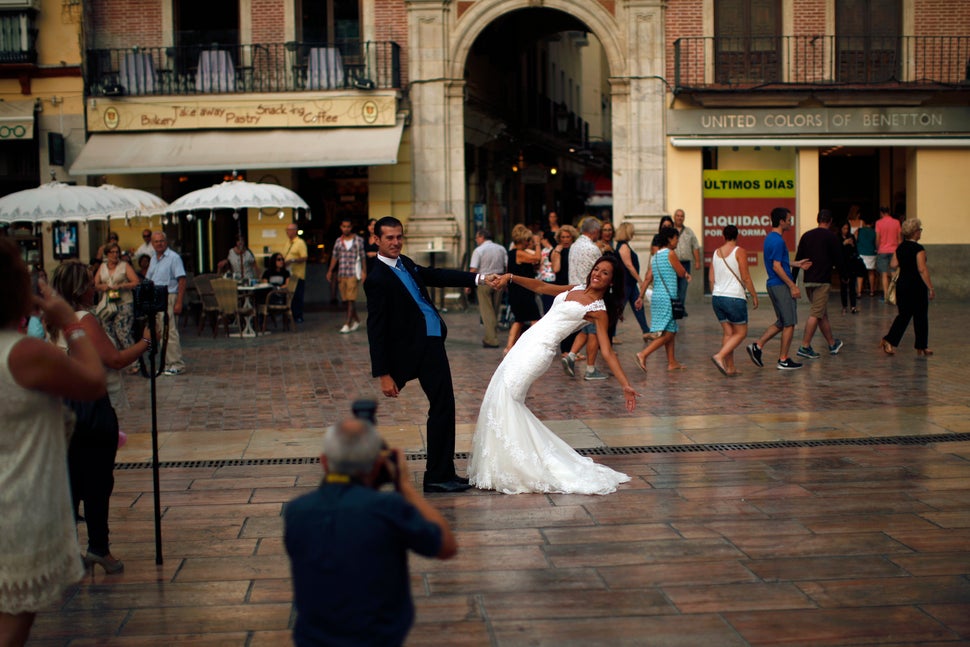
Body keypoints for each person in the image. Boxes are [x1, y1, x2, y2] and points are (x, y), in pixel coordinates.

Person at [0, 238, 107, 646]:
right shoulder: (23, 354)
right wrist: (72, 324)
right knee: (12, 626)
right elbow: (93, 381)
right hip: (16, 506)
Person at [469, 256, 640, 494]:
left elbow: (607, 351)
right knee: (498, 395)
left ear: (612, 282)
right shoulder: (576, 288)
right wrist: (511, 277)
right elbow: (541, 287)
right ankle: (503, 464)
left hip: (539, 351)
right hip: (525, 342)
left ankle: (523, 466)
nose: (597, 275)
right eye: (596, 269)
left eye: (605, 273)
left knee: (508, 399)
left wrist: (625, 384)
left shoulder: (597, 310)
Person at [283, 417, 457, 646]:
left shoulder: (297, 512)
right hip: (377, 638)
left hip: (312, 639)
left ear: (324, 463)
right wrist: (404, 486)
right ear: (377, 466)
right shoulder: (387, 508)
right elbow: (446, 546)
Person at [364, 216, 489, 493]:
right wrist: (383, 374)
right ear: (376, 240)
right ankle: (437, 476)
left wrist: (478, 278)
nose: (396, 242)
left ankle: (441, 473)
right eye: (389, 238)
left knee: (444, 406)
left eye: (399, 237)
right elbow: (376, 329)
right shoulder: (377, 279)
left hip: (432, 343)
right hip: (415, 350)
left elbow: (436, 275)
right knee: (442, 406)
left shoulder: (405, 263)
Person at [50, 261, 154, 575]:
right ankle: (99, 549)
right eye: (89, 283)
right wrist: (147, 341)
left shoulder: (54, 319)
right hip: (89, 407)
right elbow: (115, 359)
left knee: (72, 482)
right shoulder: (83, 319)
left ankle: (66, 554)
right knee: (97, 480)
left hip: (62, 406)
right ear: (78, 289)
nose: (95, 287)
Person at [746, 208, 813, 371]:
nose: (790, 222)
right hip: (780, 285)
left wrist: (796, 264)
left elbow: (777, 262)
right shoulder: (778, 241)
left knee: (782, 322)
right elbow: (776, 266)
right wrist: (792, 285)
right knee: (789, 323)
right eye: (789, 220)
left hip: (774, 285)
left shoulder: (770, 238)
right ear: (781, 221)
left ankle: (757, 345)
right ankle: (783, 359)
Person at [634, 227, 689, 372]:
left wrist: (640, 296)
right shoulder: (670, 254)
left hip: (657, 297)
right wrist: (686, 273)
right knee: (668, 333)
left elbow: (647, 278)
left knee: (669, 330)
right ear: (670, 239)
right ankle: (643, 354)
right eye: (676, 238)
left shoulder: (655, 256)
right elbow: (681, 272)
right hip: (667, 298)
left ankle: (672, 362)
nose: (677, 241)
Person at [709, 225, 759, 377]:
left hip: (717, 297)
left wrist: (717, 293)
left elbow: (711, 278)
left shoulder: (716, 253)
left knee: (729, 332)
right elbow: (745, 277)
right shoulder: (739, 251)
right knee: (741, 332)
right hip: (734, 298)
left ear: (723, 236)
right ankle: (720, 356)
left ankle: (730, 368)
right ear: (737, 236)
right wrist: (754, 295)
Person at [794, 209, 845, 359]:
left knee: (822, 313)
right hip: (822, 281)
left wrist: (793, 279)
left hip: (808, 280)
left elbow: (798, 258)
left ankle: (832, 343)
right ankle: (805, 346)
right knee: (816, 313)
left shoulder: (806, 236)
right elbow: (839, 259)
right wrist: (844, 277)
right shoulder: (832, 237)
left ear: (818, 220)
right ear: (830, 221)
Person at [881, 218, 935, 356]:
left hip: (903, 285)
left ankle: (889, 340)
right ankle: (921, 346)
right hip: (916, 286)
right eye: (920, 230)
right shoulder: (918, 248)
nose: (920, 232)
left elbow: (893, 264)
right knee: (921, 316)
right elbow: (922, 269)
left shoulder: (900, 247)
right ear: (915, 232)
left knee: (904, 315)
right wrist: (930, 287)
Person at [561, 217, 606, 380]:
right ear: (594, 231)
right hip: (591, 295)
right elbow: (602, 271)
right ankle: (590, 369)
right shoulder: (592, 248)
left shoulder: (574, 246)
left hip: (575, 292)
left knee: (585, 329)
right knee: (594, 332)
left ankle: (571, 356)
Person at [145, 231, 187, 376]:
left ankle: (176, 364)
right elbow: (149, 279)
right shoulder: (153, 259)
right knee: (161, 332)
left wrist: (179, 302)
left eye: (162, 241)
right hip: (156, 298)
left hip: (169, 296)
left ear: (166, 242)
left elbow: (182, 280)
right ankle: (166, 364)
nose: (159, 244)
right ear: (152, 243)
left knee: (170, 332)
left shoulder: (174, 258)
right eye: (156, 242)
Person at [94, 242, 140, 357]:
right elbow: (95, 284)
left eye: (117, 252)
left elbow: (136, 282)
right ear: (107, 254)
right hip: (108, 304)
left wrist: (121, 286)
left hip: (124, 302)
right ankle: (116, 357)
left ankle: (134, 360)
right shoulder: (102, 266)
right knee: (108, 331)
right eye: (112, 252)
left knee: (123, 332)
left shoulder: (124, 266)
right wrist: (102, 287)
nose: (115, 255)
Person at [504, 224, 541, 353]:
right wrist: (537, 244)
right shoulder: (519, 253)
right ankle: (535, 345)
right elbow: (537, 257)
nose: (529, 242)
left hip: (516, 290)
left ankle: (509, 347)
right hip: (523, 291)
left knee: (519, 319)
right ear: (523, 240)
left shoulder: (512, 253)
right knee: (534, 318)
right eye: (528, 240)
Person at [326, 217, 367, 334]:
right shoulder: (339, 241)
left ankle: (347, 323)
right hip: (342, 272)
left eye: (348, 226)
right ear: (341, 227)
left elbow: (363, 257)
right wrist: (330, 271)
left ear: (351, 227)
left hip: (353, 273)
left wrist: (364, 271)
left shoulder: (358, 240)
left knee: (351, 299)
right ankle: (357, 320)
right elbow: (335, 256)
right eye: (344, 226)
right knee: (345, 300)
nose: (346, 228)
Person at [468, 228, 507, 348]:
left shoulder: (478, 250)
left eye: (477, 237)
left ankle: (492, 339)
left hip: (484, 280)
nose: (476, 240)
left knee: (486, 311)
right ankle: (490, 336)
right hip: (499, 279)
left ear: (482, 237)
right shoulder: (501, 248)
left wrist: (468, 284)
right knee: (494, 309)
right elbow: (506, 266)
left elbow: (473, 269)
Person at [614, 222, 651, 341]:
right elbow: (629, 266)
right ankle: (611, 334)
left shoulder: (623, 245)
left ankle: (646, 331)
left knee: (638, 306)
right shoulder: (623, 246)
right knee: (619, 309)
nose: (633, 233)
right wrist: (640, 280)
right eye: (632, 230)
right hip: (625, 283)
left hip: (629, 283)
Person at [672, 209, 701, 317]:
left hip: (685, 264)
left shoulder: (689, 231)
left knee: (683, 288)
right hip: (673, 264)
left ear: (684, 218)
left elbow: (695, 246)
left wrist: (697, 261)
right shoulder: (670, 230)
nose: (680, 218)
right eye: (678, 215)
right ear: (674, 217)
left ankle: (681, 308)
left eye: (682, 216)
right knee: (673, 287)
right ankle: (673, 308)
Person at [874, 206, 901, 301]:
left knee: (884, 274)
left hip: (882, 250)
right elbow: (899, 238)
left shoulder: (878, 223)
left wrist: (877, 248)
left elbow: (877, 238)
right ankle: (895, 295)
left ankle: (886, 295)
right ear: (889, 211)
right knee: (894, 273)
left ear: (881, 213)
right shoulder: (896, 222)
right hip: (894, 250)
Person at [283, 223, 308, 323]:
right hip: (289, 274)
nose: (288, 232)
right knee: (291, 297)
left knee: (298, 296)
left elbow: (304, 257)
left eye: (289, 230)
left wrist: (293, 260)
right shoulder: (287, 243)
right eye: (287, 230)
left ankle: (298, 316)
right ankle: (291, 315)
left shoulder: (300, 243)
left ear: (295, 231)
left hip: (298, 275)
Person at [838, 221, 861, 314]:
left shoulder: (851, 236)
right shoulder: (838, 238)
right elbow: (837, 250)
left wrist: (851, 244)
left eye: (847, 228)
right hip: (843, 264)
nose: (846, 230)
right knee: (843, 286)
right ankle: (844, 306)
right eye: (844, 228)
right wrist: (844, 243)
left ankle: (853, 306)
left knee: (852, 285)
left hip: (851, 264)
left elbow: (855, 250)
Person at [856, 215, 877, 297]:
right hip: (871, 253)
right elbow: (876, 243)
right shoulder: (874, 232)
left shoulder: (859, 230)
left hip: (861, 252)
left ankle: (859, 292)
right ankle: (872, 291)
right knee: (871, 273)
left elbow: (856, 238)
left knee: (860, 273)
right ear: (872, 223)